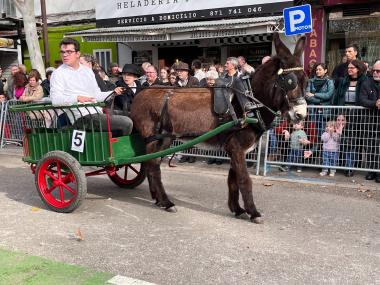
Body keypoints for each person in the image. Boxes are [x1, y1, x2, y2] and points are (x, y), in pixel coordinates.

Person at [50, 37, 132, 136]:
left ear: (77, 54)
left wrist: (113, 92)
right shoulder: (58, 73)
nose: (65, 55)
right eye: (62, 52)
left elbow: (96, 95)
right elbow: (55, 100)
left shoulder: (87, 71)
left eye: (69, 52)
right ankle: (115, 149)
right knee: (126, 123)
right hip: (81, 118)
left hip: (97, 112)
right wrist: (77, 98)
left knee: (133, 116)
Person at [333, 59, 367, 177]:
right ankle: (343, 164)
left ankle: (351, 166)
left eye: (352, 68)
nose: (349, 70)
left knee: (355, 141)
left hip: (358, 115)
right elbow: (337, 97)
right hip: (344, 113)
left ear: (358, 69)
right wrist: (337, 113)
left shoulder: (365, 81)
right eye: (348, 68)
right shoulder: (343, 81)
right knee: (343, 139)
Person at [358, 60, 380, 182]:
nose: (375, 73)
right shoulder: (367, 83)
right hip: (369, 121)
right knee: (370, 147)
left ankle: (379, 172)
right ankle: (371, 171)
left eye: (378, 71)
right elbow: (362, 99)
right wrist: (375, 103)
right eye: (374, 70)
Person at [305, 63, 335, 138]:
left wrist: (314, 94)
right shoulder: (310, 81)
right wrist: (321, 101)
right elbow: (308, 96)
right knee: (312, 131)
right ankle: (313, 147)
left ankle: (321, 147)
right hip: (313, 110)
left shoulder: (329, 81)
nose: (317, 71)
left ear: (325, 71)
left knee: (324, 131)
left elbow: (329, 95)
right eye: (316, 70)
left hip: (325, 110)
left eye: (320, 69)